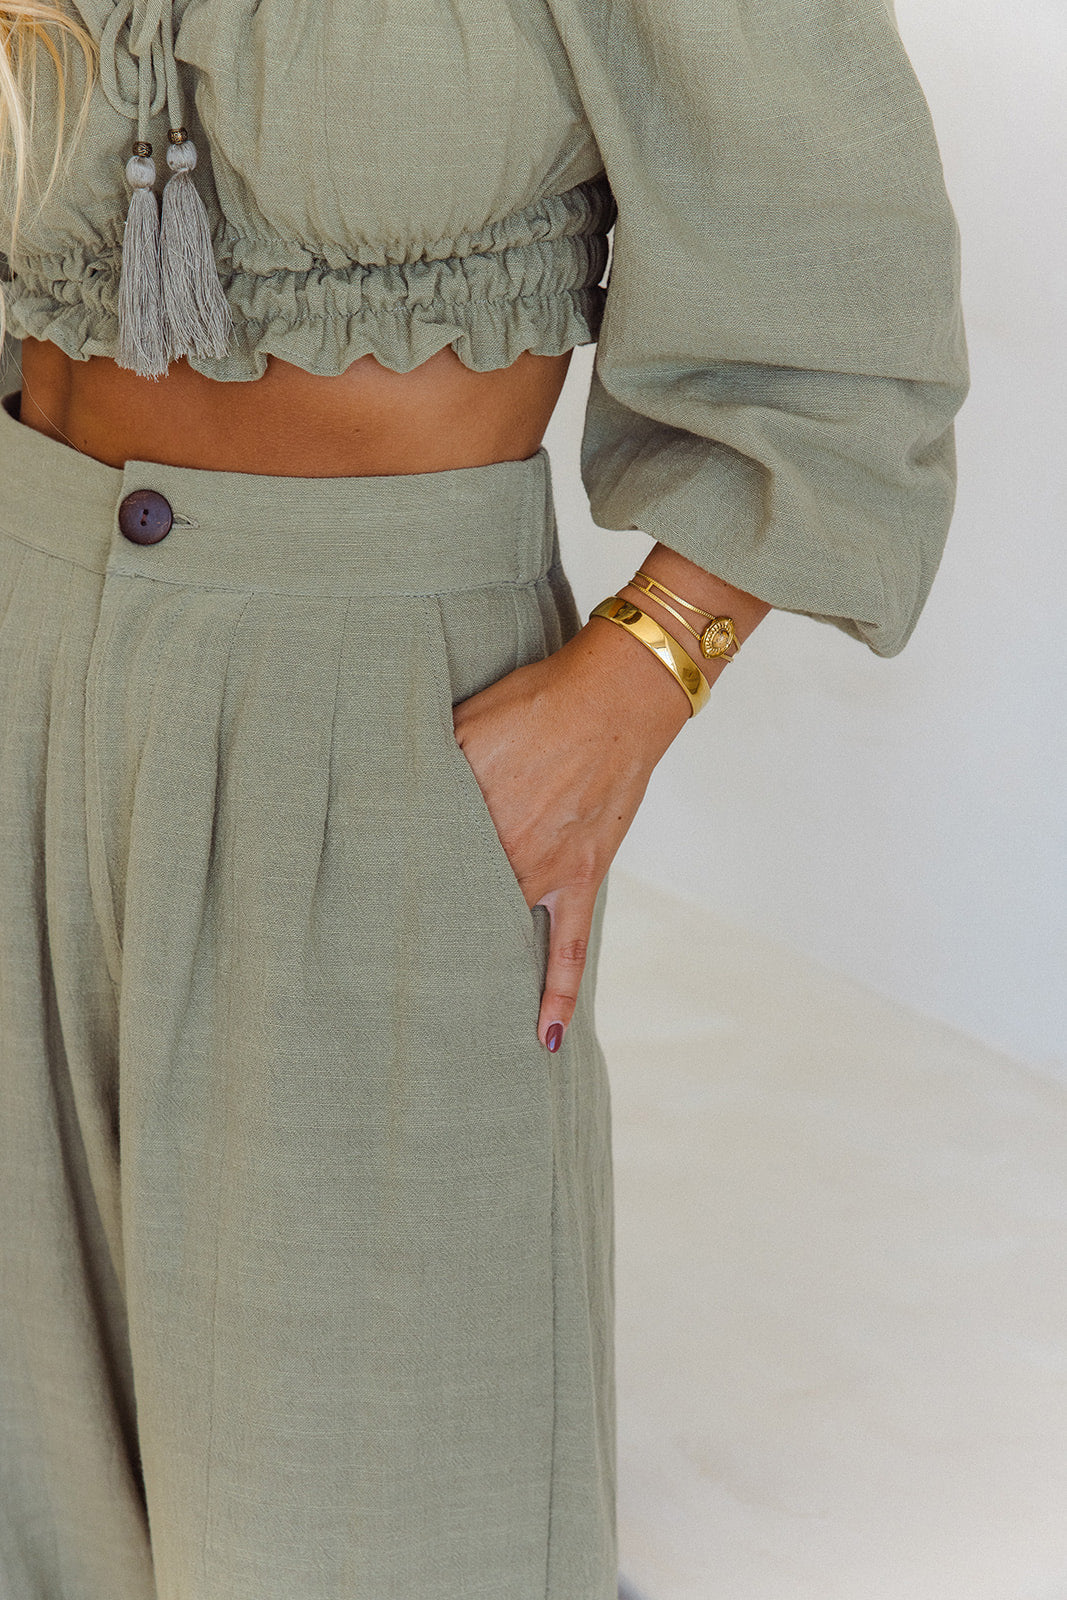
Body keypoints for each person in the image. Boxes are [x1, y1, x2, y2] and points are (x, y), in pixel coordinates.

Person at [0, 1, 969, 1596]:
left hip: (375, 711)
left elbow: (845, 277)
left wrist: (649, 667)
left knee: (378, 1513)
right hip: (25, 641)